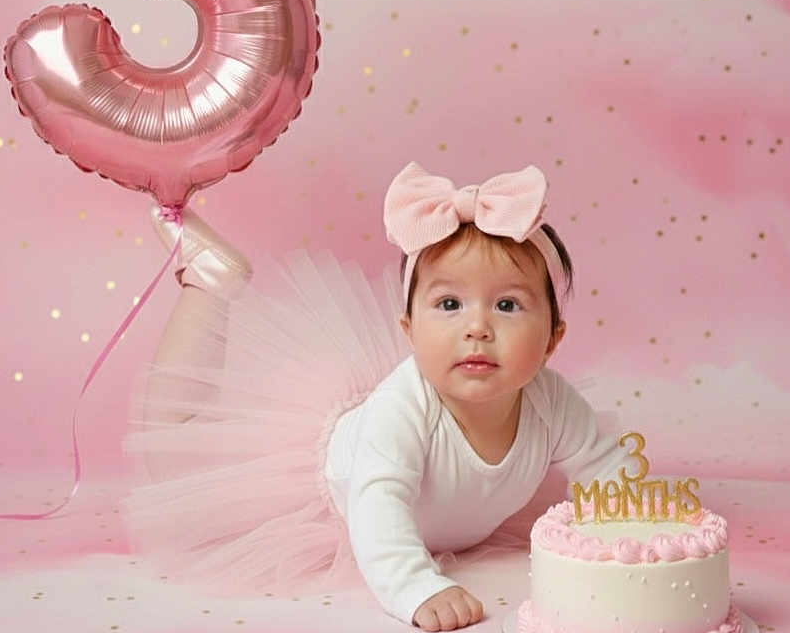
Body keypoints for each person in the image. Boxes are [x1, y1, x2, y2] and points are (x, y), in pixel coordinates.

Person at [119, 161, 636, 631]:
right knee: (174, 455)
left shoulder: (552, 401)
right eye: (450, 303)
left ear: (552, 340)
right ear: (409, 331)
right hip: (320, 492)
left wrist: (639, 531)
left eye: (506, 304)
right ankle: (208, 282)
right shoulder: (402, 410)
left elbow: (604, 466)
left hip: (444, 521)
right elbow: (378, 508)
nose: (477, 327)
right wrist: (415, 586)